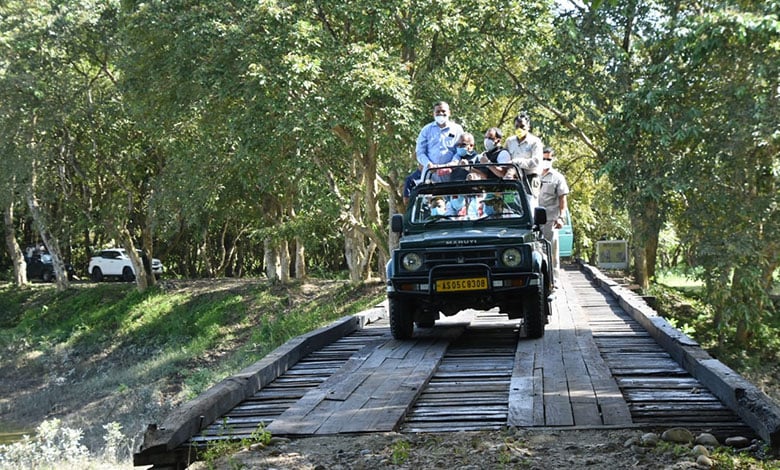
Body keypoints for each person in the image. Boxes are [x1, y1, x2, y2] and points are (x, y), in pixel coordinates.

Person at [538, 147, 570, 285]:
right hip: (533, 220)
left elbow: (563, 199)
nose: (546, 161)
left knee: (551, 250)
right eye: (543, 158)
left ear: (553, 159)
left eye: (548, 159)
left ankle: (554, 280)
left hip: (550, 220)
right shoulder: (533, 174)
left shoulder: (557, 177)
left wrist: (561, 217)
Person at [415, 101, 463, 182]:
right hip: (430, 175)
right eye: (437, 111)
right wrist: (428, 164)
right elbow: (420, 152)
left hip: (452, 175)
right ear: (433, 113)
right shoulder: (426, 130)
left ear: (449, 113)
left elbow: (460, 150)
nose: (441, 113)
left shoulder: (457, 129)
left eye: (443, 111)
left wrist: (452, 164)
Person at [504, 112, 543, 197]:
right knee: (509, 204)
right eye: (517, 127)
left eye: (522, 126)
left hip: (529, 178)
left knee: (529, 205)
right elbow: (504, 158)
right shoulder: (509, 141)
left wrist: (517, 162)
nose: (519, 129)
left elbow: (536, 161)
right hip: (512, 179)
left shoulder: (535, 142)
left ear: (528, 127)